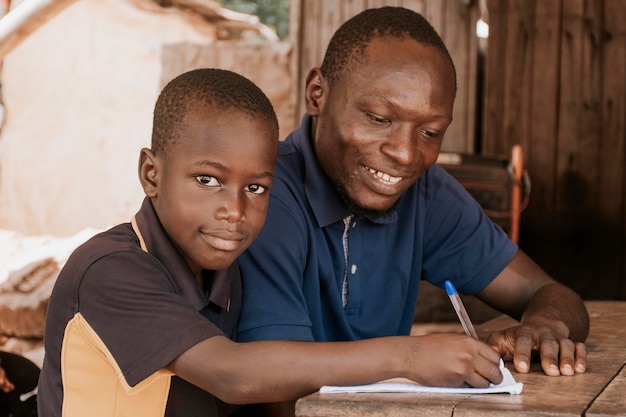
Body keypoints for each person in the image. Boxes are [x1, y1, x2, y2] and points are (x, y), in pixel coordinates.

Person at [37, 68, 504, 417]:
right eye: (207, 179)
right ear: (151, 174)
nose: (234, 210)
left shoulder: (227, 279)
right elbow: (233, 374)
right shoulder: (110, 270)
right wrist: (411, 355)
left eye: (256, 188)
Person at [236, 6, 590, 415]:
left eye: (430, 132)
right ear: (318, 93)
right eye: (378, 118)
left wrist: (545, 328)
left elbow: (549, 293)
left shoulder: (424, 193)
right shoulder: (264, 195)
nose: (404, 154)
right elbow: (274, 392)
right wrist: (411, 356)